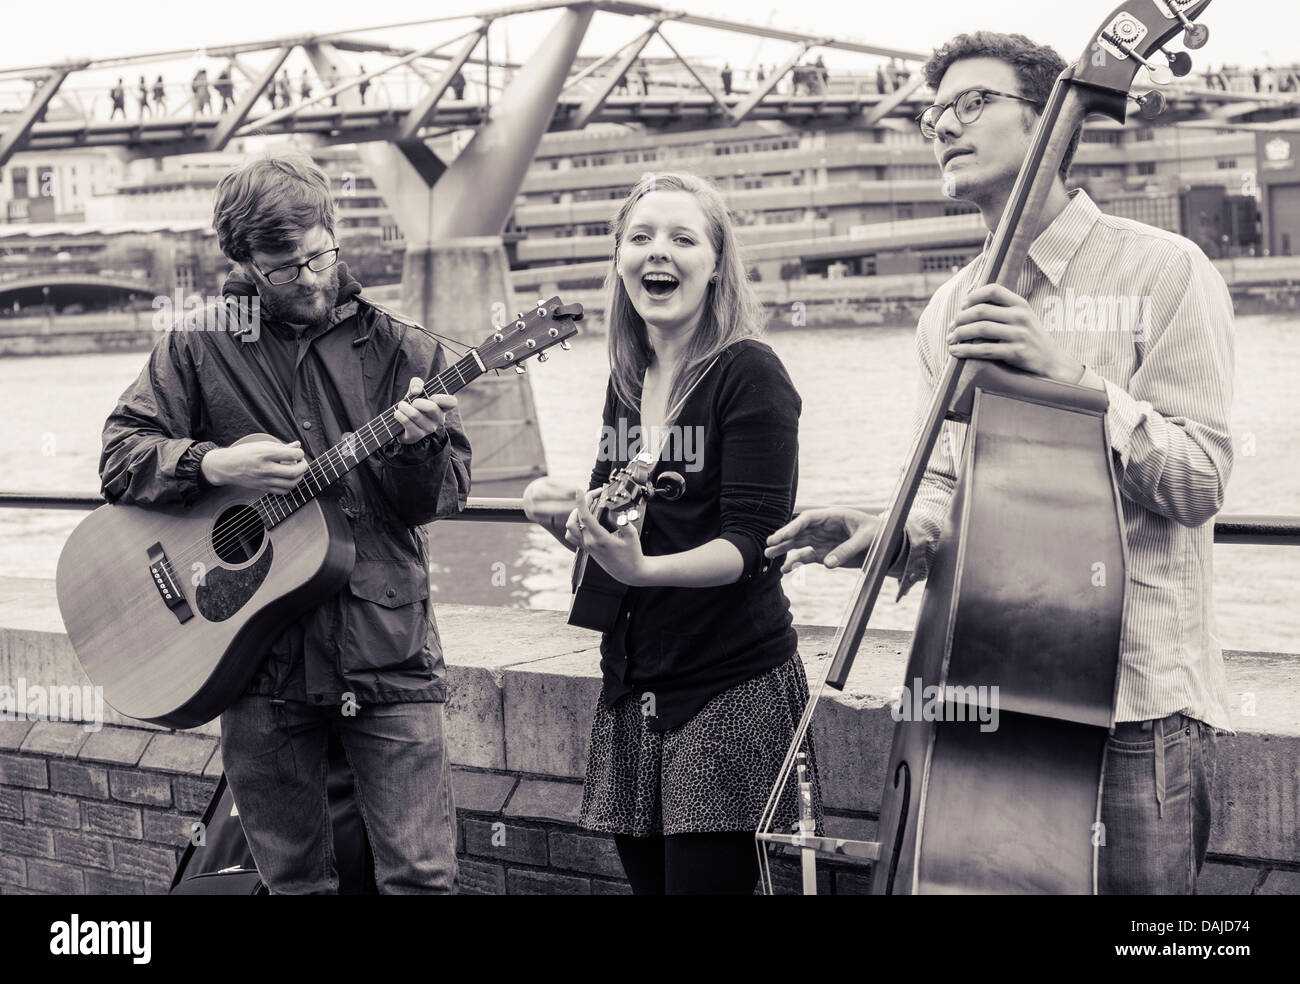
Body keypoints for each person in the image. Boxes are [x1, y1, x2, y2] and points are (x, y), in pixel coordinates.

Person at [768, 31, 1233, 896]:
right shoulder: (948, 306)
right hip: (992, 698)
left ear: (1053, 120)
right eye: (932, 113)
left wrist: (1074, 379)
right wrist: (895, 529)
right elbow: (948, 482)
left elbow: (1200, 481)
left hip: (1136, 706)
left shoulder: (1166, 270)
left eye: (972, 103)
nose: (944, 124)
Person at [99, 153, 472, 894]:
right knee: (293, 882)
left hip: (386, 657)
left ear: (333, 230)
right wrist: (212, 465)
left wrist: (421, 446)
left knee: (422, 878)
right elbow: (119, 457)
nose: (309, 277)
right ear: (241, 262)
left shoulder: (404, 348)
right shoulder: (198, 345)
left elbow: (445, 496)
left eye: (319, 254)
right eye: (283, 267)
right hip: (253, 661)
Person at [523, 171, 822, 895]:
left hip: (729, 687)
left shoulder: (750, 373)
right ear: (620, 258)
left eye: (684, 238)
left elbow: (753, 546)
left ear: (717, 263)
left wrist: (641, 571)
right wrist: (572, 522)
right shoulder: (629, 375)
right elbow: (621, 528)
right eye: (641, 236)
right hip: (635, 682)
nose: (659, 252)